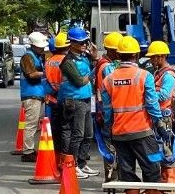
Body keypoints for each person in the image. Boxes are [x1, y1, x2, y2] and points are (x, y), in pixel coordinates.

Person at [101, 35, 165, 194]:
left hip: (120, 135)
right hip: (143, 132)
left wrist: (108, 128)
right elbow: (151, 104)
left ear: (119, 55)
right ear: (136, 55)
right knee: (152, 170)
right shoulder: (144, 76)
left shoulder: (108, 79)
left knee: (127, 173)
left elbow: (107, 110)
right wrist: (159, 123)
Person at [59, 25, 99, 178]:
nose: (84, 45)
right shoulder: (67, 62)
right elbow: (78, 81)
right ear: (72, 43)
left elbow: (93, 66)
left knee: (89, 134)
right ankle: (72, 165)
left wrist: (94, 56)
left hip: (86, 99)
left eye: (86, 42)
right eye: (81, 42)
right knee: (78, 134)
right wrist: (93, 73)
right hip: (74, 100)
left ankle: (82, 163)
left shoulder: (84, 57)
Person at [146, 41, 175, 181]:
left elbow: (164, 95)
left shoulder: (168, 76)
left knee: (165, 147)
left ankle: (170, 180)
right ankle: (164, 179)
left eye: (153, 57)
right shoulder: (158, 73)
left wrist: (148, 96)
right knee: (158, 146)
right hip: (158, 114)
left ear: (161, 57)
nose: (151, 60)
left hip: (164, 116)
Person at [94, 31, 123, 180]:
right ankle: (112, 178)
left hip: (106, 109)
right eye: (119, 51)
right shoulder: (107, 67)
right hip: (109, 112)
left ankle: (112, 176)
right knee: (112, 145)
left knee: (111, 144)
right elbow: (117, 85)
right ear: (111, 50)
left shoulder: (103, 63)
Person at [18, 32, 48, 162]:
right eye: (40, 47)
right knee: (31, 124)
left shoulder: (37, 56)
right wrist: (47, 73)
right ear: (34, 46)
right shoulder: (27, 57)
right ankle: (28, 151)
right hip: (31, 95)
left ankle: (31, 149)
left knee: (36, 124)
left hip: (37, 94)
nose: (42, 49)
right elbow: (31, 74)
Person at [44, 31, 71, 166]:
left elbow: (46, 81)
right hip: (65, 98)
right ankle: (65, 160)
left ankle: (55, 159)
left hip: (52, 100)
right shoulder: (66, 61)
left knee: (56, 130)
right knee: (67, 130)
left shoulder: (49, 62)